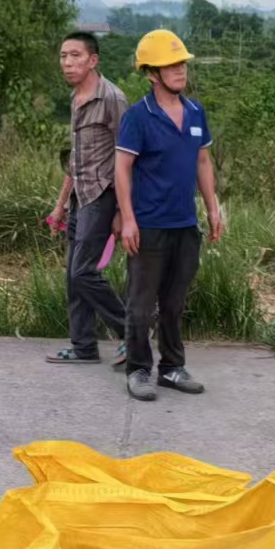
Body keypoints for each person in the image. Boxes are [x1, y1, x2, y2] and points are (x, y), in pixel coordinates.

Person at [114, 30, 225, 402]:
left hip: (184, 225)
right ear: (151, 73)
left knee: (175, 302)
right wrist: (128, 219)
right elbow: (122, 170)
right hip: (148, 226)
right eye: (170, 65)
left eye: (182, 63)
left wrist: (212, 208)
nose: (180, 70)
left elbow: (203, 162)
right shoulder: (138, 117)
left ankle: (172, 368)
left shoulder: (195, 113)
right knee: (141, 305)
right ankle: (138, 370)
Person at [46, 31, 129, 367]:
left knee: (83, 271)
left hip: (102, 195)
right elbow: (76, 158)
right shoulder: (76, 97)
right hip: (79, 196)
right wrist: (60, 204)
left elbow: (127, 156)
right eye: (63, 56)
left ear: (93, 60)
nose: (67, 62)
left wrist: (122, 211)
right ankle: (83, 347)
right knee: (72, 274)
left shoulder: (112, 98)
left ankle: (131, 330)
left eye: (75, 55)